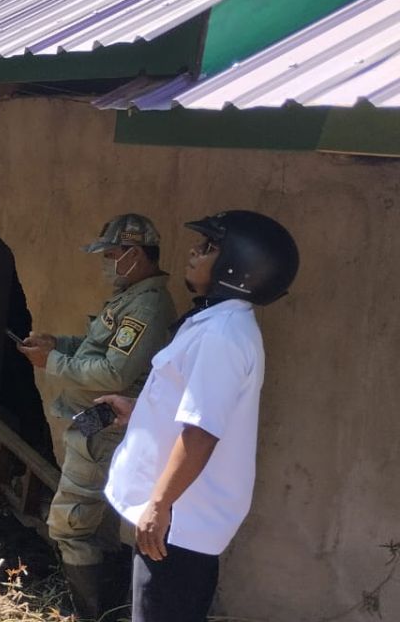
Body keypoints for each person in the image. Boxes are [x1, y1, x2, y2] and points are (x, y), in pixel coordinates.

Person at [99, 210, 299, 622]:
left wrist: (159, 504)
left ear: (237, 266)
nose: (194, 251)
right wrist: (140, 414)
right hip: (178, 517)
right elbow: (193, 408)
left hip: (179, 522)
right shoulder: (215, 323)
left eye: (209, 248)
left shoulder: (221, 336)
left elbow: (202, 432)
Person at [17, 214, 177, 620]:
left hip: (104, 427)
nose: (106, 263)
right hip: (98, 422)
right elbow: (99, 349)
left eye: (110, 254)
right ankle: (110, 608)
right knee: (97, 525)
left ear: (134, 254)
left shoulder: (147, 304)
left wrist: (50, 361)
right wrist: (59, 343)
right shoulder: (130, 296)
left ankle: (87, 613)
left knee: (70, 525)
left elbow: (114, 373)